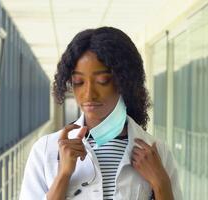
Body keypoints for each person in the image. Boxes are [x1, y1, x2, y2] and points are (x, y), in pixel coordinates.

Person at [19, 27, 182, 200]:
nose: (89, 94)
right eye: (78, 82)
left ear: (125, 81)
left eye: (102, 81)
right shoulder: (46, 150)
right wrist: (63, 175)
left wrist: (161, 184)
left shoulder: (156, 152)